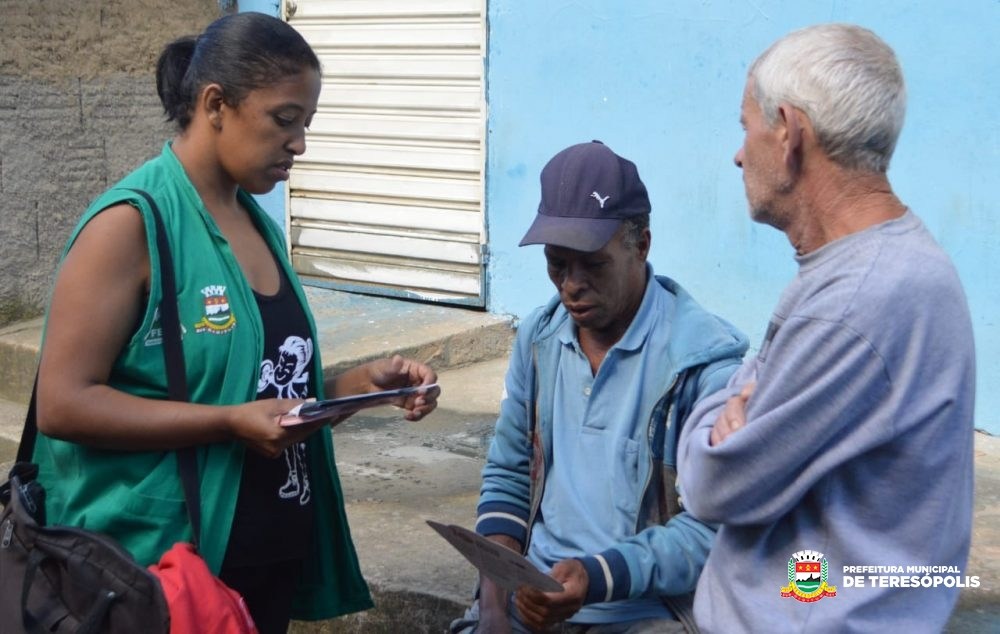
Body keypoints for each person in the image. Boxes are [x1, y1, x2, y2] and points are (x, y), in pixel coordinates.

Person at [32, 12, 439, 633]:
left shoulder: (257, 225)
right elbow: (63, 404)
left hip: (258, 578)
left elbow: (264, 397)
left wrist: (360, 387)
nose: (299, 144)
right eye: (284, 120)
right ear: (216, 104)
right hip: (159, 584)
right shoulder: (131, 225)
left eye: (307, 124)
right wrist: (225, 423)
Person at [677, 23, 976, 632]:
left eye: (746, 127)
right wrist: (732, 409)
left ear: (788, 132)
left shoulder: (854, 301)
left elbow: (712, 484)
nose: (739, 153)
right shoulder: (875, 269)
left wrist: (709, 424)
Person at [452, 140, 749, 633]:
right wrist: (492, 607)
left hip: (647, 612)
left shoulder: (703, 364)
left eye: (592, 263)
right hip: (532, 605)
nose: (570, 284)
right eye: (557, 263)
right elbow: (509, 474)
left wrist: (596, 578)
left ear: (642, 245)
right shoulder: (539, 340)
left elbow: (712, 530)